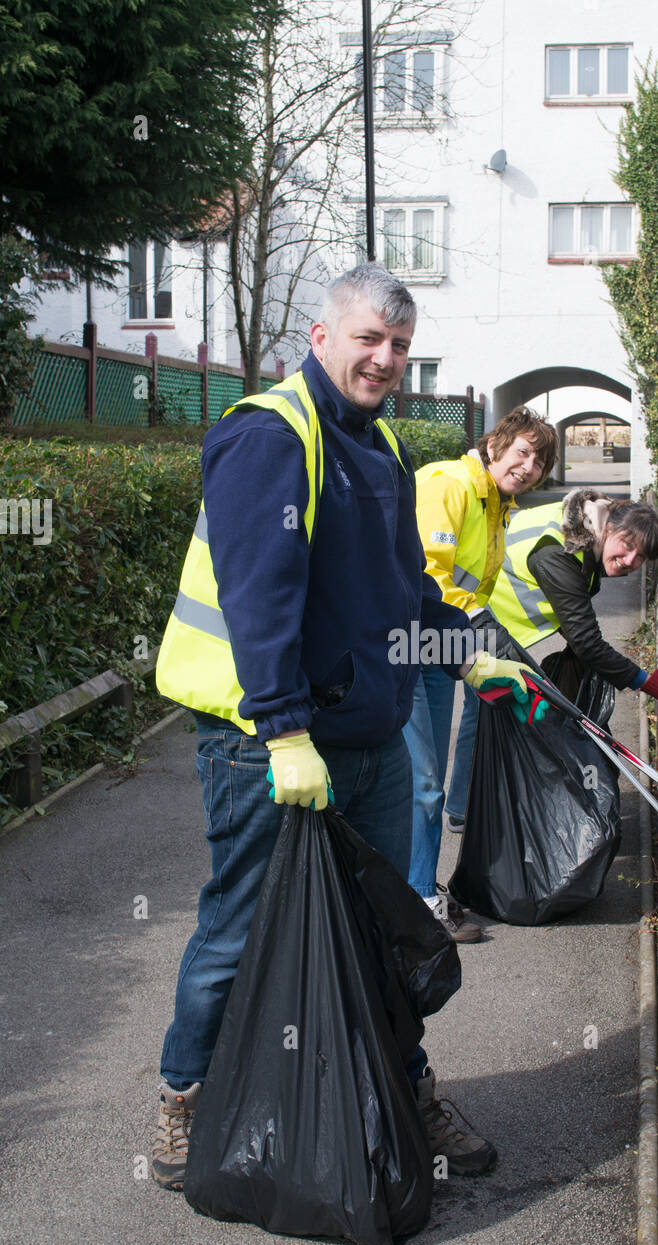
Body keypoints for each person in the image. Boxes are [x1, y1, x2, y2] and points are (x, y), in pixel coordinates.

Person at [150, 263, 537, 1188]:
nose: (385, 359)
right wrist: (284, 733)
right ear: (321, 337)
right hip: (265, 750)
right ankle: (183, 1100)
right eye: (369, 339)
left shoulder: (386, 450)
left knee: (383, 933)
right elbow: (259, 599)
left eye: (400, 346)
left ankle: (405, 1089)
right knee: (239, 929)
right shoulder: (270, 437)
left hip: (369, 742)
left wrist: (468, 650)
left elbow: (403, 594)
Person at [444, 488, 658, 828]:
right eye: (627, 544)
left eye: (640, 558)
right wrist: (656, 687)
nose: (629, 560)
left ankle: (471, 807)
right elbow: (587, 643)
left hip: (495, 626)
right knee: (486, 712)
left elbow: (574, 621)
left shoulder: (585, 538)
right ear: (609, 528)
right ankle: (467, 810)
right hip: (480, 622)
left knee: (490, 714)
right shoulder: (561, 553)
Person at [403, 408, 558, 942]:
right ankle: (418, 900)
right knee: (419, 782)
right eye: (522, 451)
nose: (528, 465)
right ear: (495, 444)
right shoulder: (453, 485)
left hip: (437, 646)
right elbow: (427, 574)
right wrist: (481, 640)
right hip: (400, 645)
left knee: (429, 781)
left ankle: (417, 888)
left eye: (538, 461)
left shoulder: (496, 504)